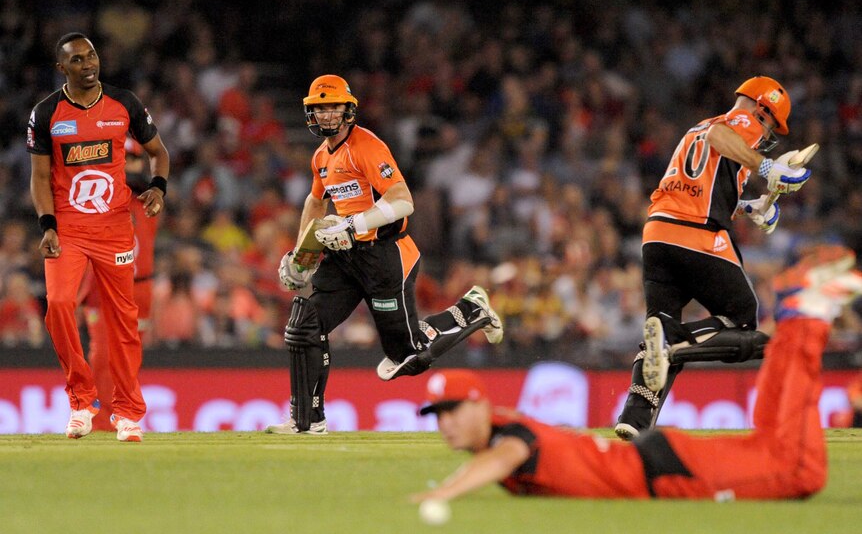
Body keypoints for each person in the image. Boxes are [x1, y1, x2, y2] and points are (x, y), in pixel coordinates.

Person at [413, 245, 862, 502]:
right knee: (774, 443)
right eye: (439, 415)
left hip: (666, 471)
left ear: (480, 406)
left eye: (452, 411)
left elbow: (503, 457)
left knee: (800, 472)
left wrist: (442, 493)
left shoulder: (509, 439)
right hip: (659, 460)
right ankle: (797, 317)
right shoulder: (510, 427)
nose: (444, 425)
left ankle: (806, 319)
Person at [269, 75, 503, 435]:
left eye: (332, 107)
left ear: (348, 110)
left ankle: (473, 308)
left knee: (408, 356)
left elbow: (402, 200)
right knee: (305, 325)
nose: (326, 115)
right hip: (345, 257)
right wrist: (301, 255)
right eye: (319, 108)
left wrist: (353, 225)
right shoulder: (321, 156)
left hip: (385, 255)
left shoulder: (368, 146)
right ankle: (306, 421)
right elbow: (315, 201)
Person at [615, 76, 813, 440]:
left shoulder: (697, 126)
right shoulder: (739, 123)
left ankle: (636, 418)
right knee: (742, 320)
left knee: (661, 325)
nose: (767, 133)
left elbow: (700, 186)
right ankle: (670, 347)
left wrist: (749, 206)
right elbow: (719, 138)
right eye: (770, 123)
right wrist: (767, 169)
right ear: (761, 109)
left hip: (657, 235)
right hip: (696, 234)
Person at [27, 32, 170, 442]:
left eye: (91, 56)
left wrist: (159, 187)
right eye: (77, 60)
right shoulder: (46, 112)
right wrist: (47, 225)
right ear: (62, 68)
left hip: (113, 229)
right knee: (57, 303)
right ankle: (80, 401)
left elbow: (160, 152)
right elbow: (39, 178)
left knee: (121, 322)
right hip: (68, 228)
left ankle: (127, 413)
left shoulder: (124, 103)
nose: (88, 64)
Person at [81, 142, 161, 430]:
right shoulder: (96, 199)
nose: (128, 166)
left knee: (129, 358)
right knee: (102, 356)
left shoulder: (149, 201)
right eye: (122, 159)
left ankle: (125, 417)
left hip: (140, 288)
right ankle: (103, 424)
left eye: (133, 160)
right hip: (104, 287)